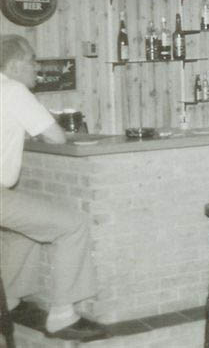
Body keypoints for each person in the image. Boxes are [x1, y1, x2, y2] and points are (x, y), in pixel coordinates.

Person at [0, 34, 107, 342]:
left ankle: (9, 300)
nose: (37, 67)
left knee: (25, 231)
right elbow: (56, 137)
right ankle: (62, 316)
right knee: (72, 225)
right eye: (32, 61)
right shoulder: (13, 89)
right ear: (15, 65)